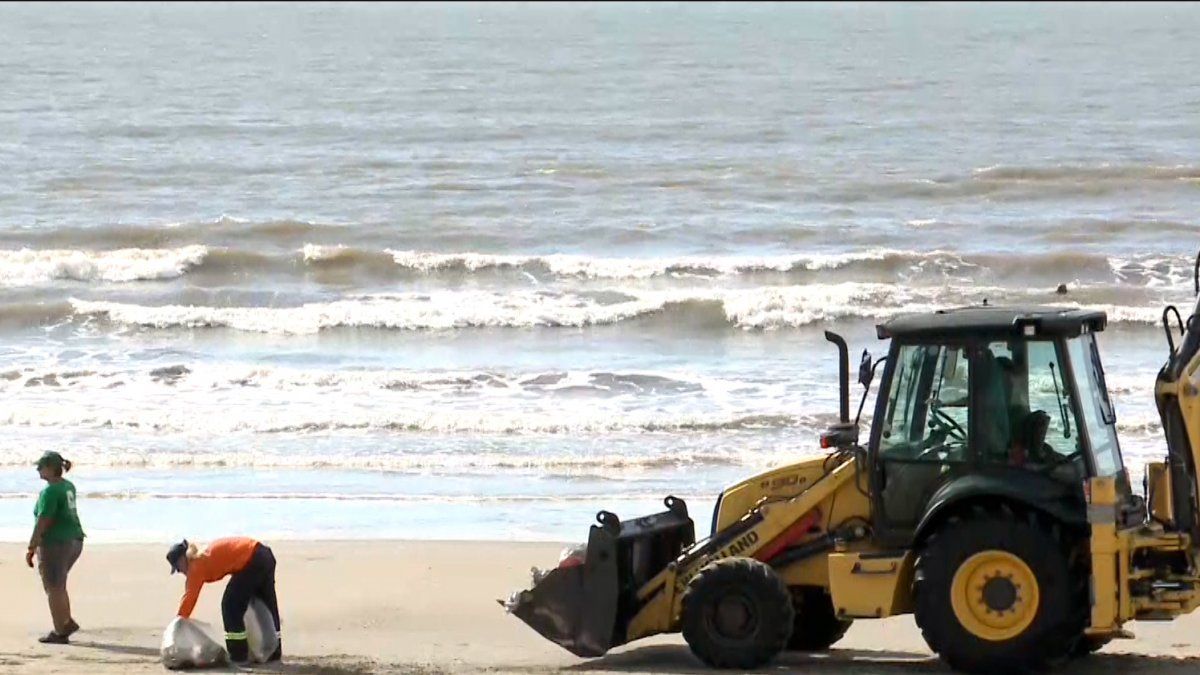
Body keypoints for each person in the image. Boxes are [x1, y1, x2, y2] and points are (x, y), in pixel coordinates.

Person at [166, 537, 281, 664]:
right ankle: (274, 651)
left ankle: (238, 655)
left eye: (177, 568)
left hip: (252, 560)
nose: (180, 572)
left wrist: (179, 622)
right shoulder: (201, 555)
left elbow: (190, 597)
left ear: (182, 559)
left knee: (230, 605)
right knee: (266, 604)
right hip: (263, 555)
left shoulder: (195, 565)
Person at [26, 451, 85, 645]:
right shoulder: (68, 486)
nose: (38, 469)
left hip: (56, 542)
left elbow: (44, 519)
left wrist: (32, 546)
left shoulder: (50, 491)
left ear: (51, 469)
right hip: (75, 539)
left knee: (53, 587)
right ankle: (65, 622)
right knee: (59, 584)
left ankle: (60, 630)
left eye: (41, 466)